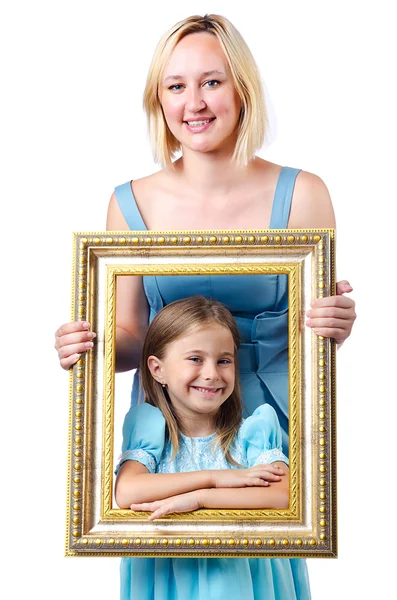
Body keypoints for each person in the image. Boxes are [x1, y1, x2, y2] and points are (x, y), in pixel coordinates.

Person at [54, 12, 356, 598]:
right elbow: (130, 339)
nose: (194, 101)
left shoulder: (304, 194)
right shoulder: (129, 203)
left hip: (265, 426)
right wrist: (85, 348)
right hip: (171, 435)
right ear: (159, 101)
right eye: (176, 86)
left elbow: (317, 329)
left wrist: (335, 324)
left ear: (242, 89)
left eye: (212, 81)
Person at [115, 295, 295, 600]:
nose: (212, 373)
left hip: (247, 582)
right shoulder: (150, 429)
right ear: (157, 370)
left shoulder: (253, 432)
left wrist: (199, 500)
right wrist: (214, 477)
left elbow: (285, 494)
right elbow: (126, 492)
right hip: (169, 577)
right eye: (196, 359)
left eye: (223, 360)